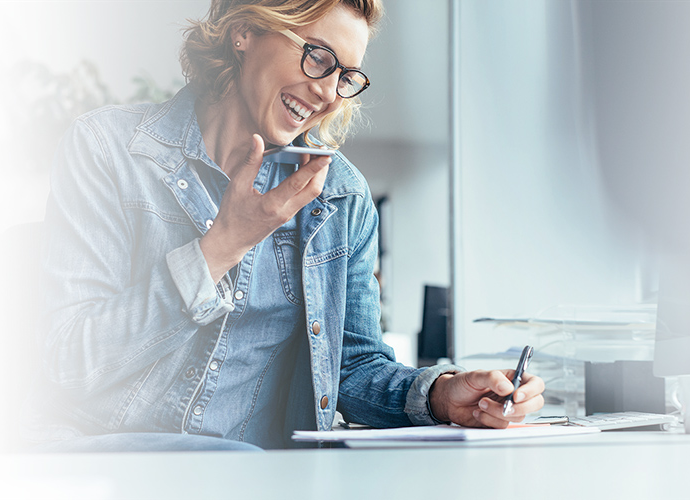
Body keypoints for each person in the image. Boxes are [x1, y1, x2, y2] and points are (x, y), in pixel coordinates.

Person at [35, 0, 542, 452]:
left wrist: (441, 394)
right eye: (318, 56)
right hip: (103, 464)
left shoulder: (340, 196)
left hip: (256, 481)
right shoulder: (109, 150)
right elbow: (65, 365)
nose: (327, 94)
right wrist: (221, 246)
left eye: (345, 76)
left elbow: (353, 369)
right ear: (245, 31)